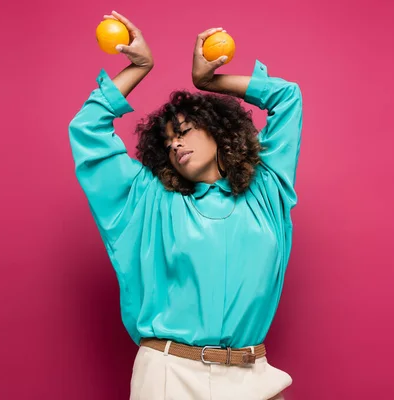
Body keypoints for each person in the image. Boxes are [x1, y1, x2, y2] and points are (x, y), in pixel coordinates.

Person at [68, 10, 303, 400]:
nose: (175, 143)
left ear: (219, 132)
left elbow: (287, 96)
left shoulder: (267, 191)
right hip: (170, 375)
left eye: (184, 131)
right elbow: (87, 127)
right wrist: (139, 67)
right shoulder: (150, 200)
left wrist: (209, 82)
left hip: (253, 374)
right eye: (167, 141)